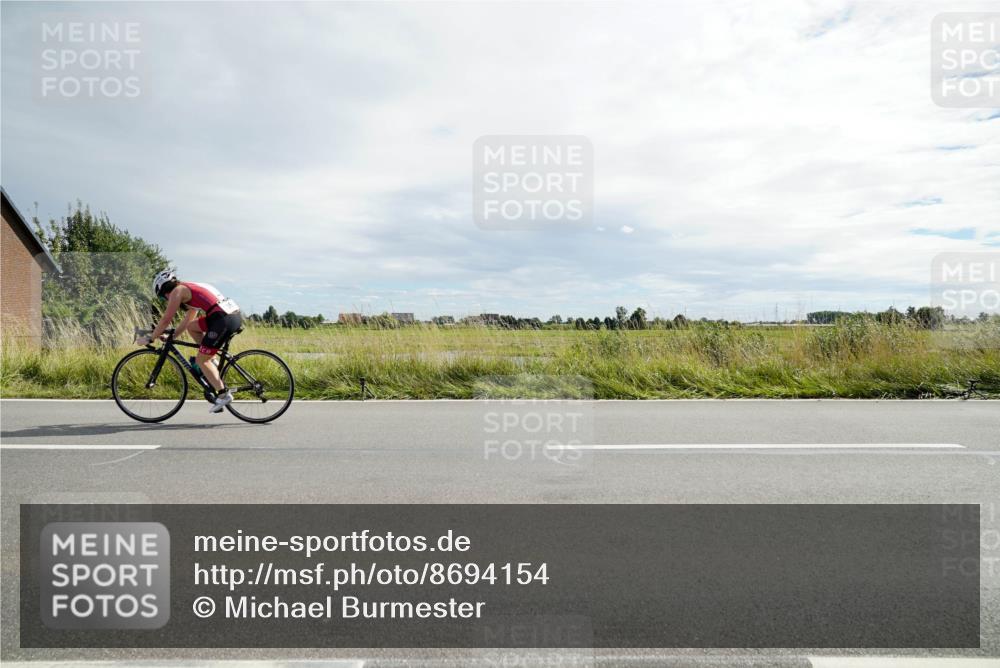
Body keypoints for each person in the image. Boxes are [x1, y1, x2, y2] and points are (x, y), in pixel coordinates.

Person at [138, 269, 243, 413]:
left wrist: (150, 338)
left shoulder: (177, 292)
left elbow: (165, 319)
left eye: (163, 298)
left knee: (201, 360)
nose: (166, 300)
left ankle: (223, 394)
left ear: (164, 290)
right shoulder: (188, 289)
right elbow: (188, 320)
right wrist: (172, 337)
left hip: (222, 319)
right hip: (227, 315)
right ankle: (211, 360)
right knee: (192, 327)